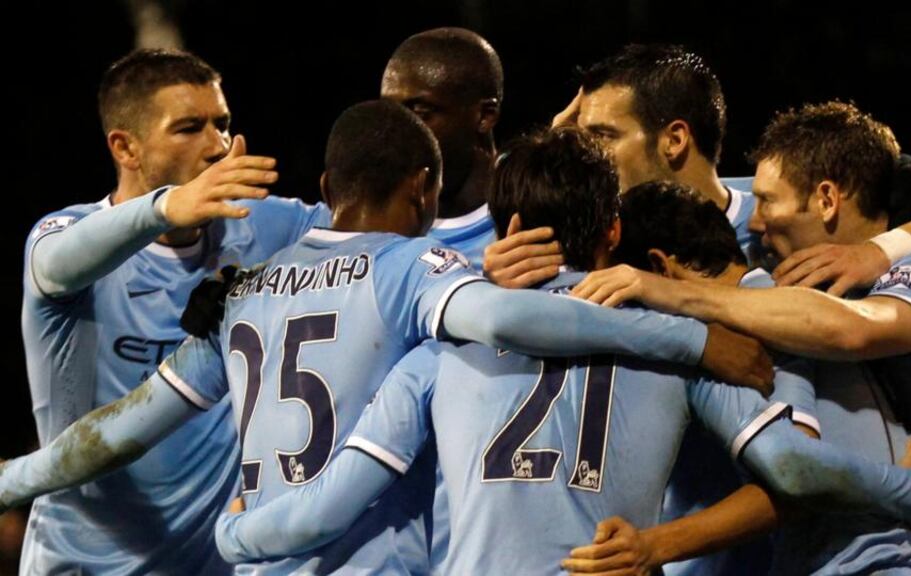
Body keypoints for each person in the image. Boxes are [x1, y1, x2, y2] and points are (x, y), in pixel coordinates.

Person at [2, 104, 769, 574]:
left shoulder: (244, 294)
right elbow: (500, 319)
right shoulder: (413, 269)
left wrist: (12, 483)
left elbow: (120, 432)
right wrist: (688, 341)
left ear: (327, 190)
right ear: (426, 192)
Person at [212, 128, 911, 576]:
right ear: (613, 235)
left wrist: (235, 533)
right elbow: (792, 471)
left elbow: (321, 513)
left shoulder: (440, 352)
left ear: (508, 225)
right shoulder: (692, 350)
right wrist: (905, 489)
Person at [573, 101, 911, 575]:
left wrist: (670, 293)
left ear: (828, 199)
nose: (753, 221)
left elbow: (852, 330)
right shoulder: (794, 295)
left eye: (768, 200)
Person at [18, 48, 329, 575]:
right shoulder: (67, 235)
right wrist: (164, 207)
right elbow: (54, 265)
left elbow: (384, 232)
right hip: (80, 565)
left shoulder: (267, 229)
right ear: (126, 147)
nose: (218, 146)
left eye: (222, 124)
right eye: (189, 128)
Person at [562, 182, 911, 575]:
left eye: (620, 291)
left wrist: (909, 491)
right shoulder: (769, 307)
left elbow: (795, 472)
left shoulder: (750, 330)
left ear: (658, 267)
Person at [381, 27, 503, 269]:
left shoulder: (539, 208)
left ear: (484, 116)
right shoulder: (365, 216)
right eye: (390, 114)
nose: (396, 133)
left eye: (420, 114)